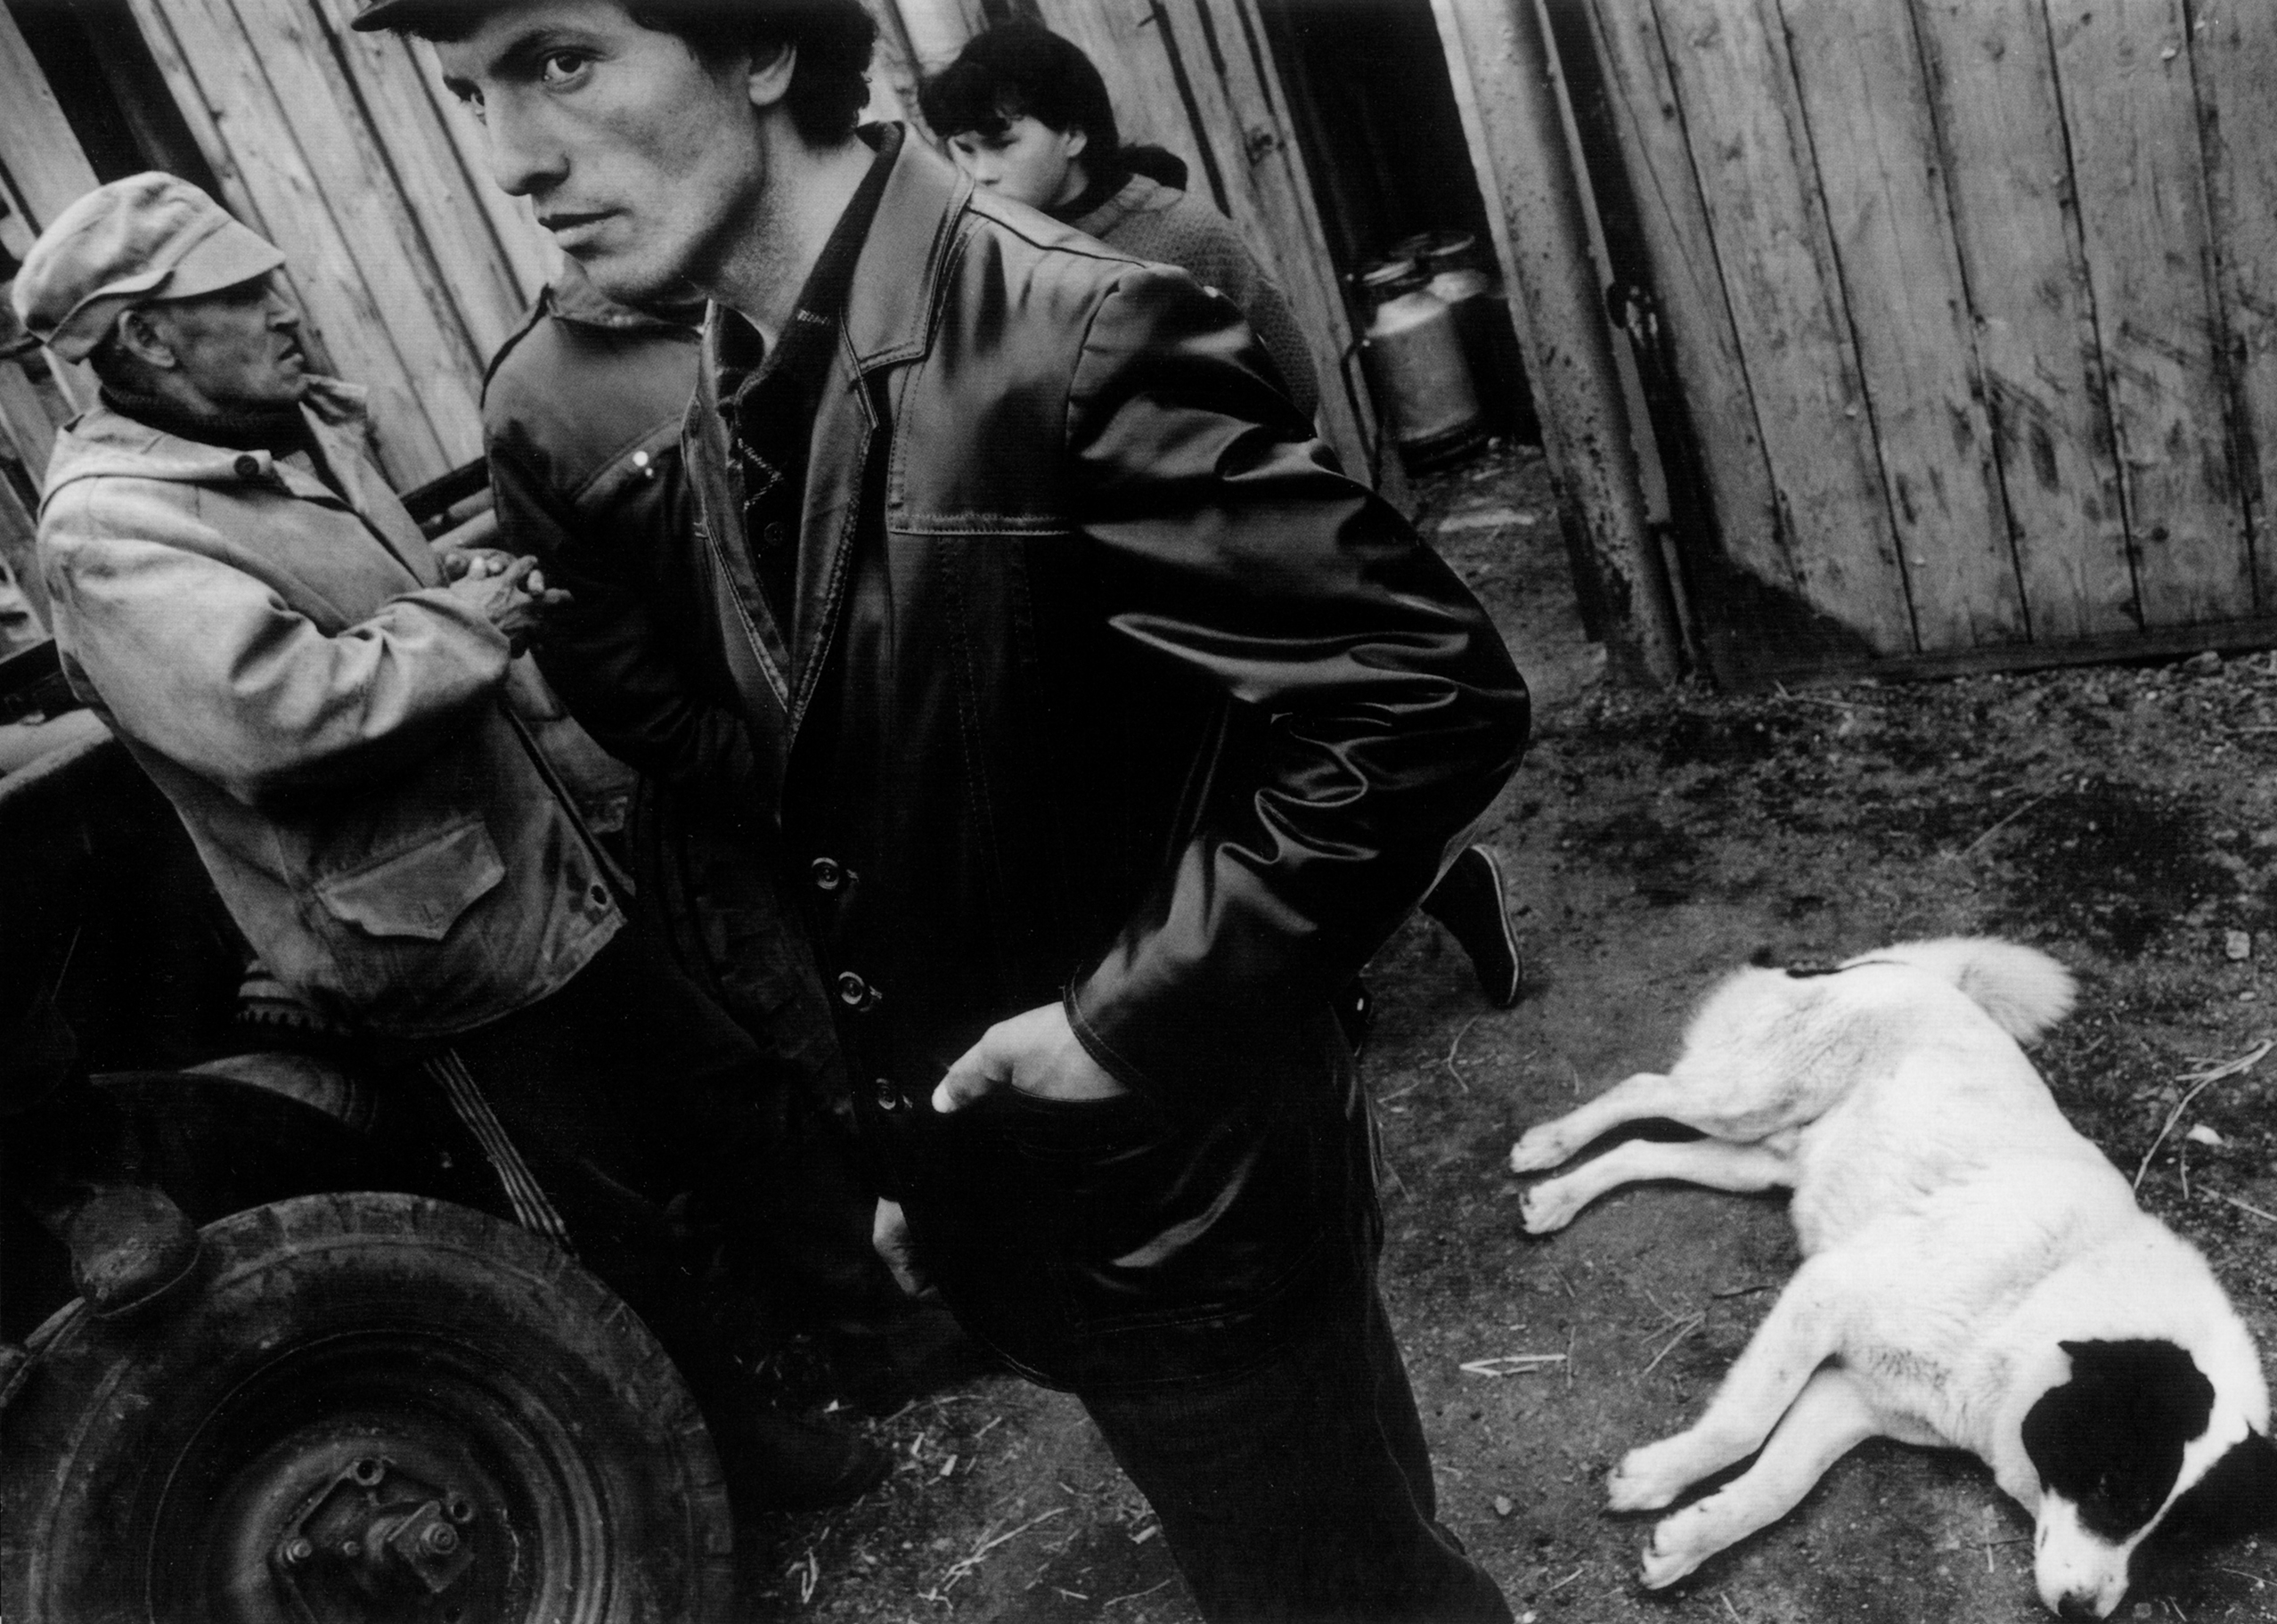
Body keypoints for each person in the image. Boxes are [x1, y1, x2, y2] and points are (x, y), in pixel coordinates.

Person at [370, 1, 1526, 1617]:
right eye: (474, 93)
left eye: (561, 62)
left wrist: (1124, 1019)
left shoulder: (1071, 332)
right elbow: (889, 815)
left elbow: (1422, 693)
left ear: (759, 45)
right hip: (1062, 1188)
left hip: (1188, 1197)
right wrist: (933, 1161)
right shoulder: (749, 363)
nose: (513, 157)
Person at [12, 171, 886, 1510]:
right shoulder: (109, 532)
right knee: (599, 1220)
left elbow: (376, 610)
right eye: (244, 296)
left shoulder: (284, 427)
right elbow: (277, 717)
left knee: (731, 1103)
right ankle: (730, 1460)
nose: (288, 311)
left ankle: (886, 1331)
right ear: (146, 339)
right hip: (429, 942)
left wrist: (451, 594)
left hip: (537, 869)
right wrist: (463, 626)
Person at [922, 19, 1523, 1010]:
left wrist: (1222, 487)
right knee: (1198, 789)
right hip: (1116, 567)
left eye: (999, 143)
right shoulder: (994, 259)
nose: (977, 173)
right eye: (960, 151)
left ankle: (1405, 918)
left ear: (1073, 133)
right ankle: (1364, 945)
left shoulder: (1178, 237)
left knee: (1285, 772)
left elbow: (1288, 373)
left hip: (1230, 544)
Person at [481, 260, 962, 1404]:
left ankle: (1017, 1234)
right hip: (752, 797)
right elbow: (605, 664)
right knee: (814, 1049)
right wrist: (756, 777)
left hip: (923, 736)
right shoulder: (537, 397)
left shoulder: (796, 284)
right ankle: (916, 1320)